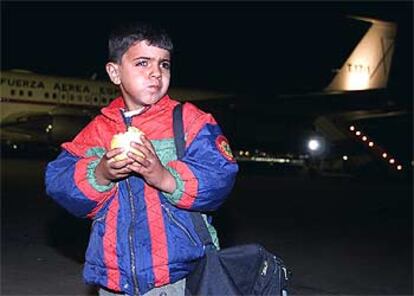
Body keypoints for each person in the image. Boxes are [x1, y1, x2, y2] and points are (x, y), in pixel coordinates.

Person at [45, 22, 239, 296]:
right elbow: (59, 181)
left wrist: (164, 177)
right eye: (142, 63)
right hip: (115, 280)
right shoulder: (99, 130)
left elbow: (220, 175)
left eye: (164, 65)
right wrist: (101, 174)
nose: (155, 73)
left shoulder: (190, 121)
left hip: (175, 277)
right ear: (114, 72)